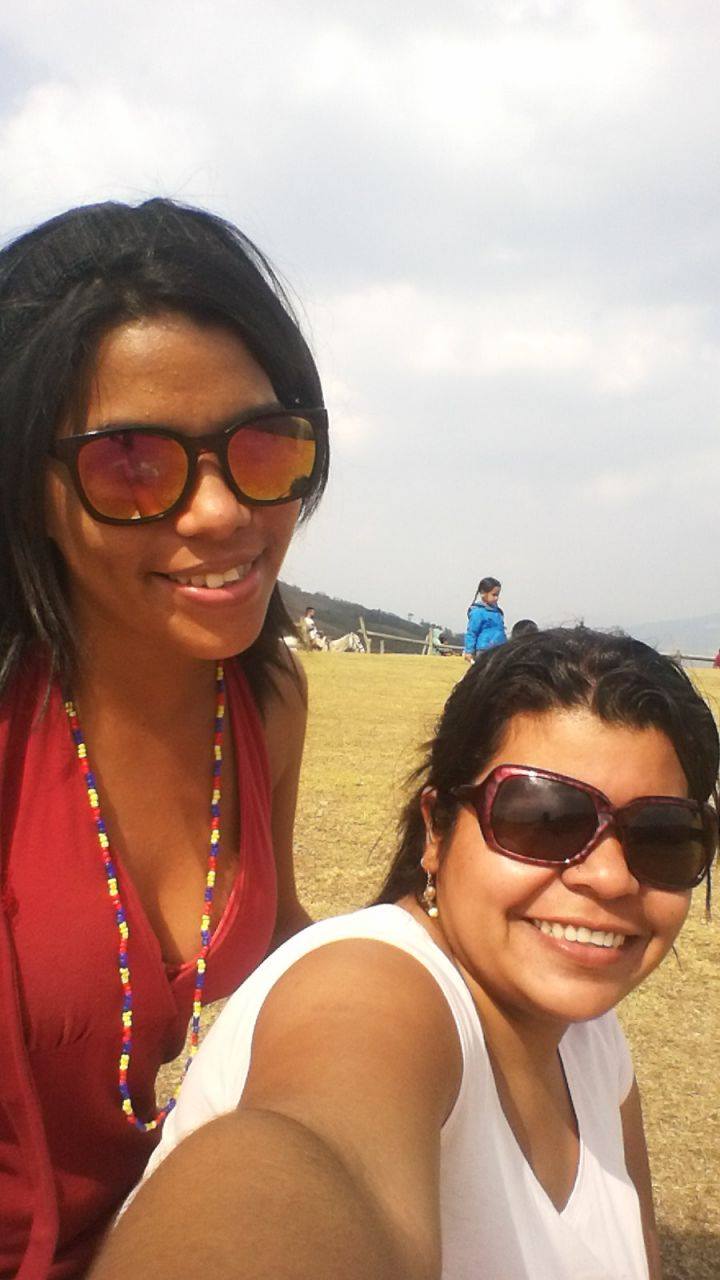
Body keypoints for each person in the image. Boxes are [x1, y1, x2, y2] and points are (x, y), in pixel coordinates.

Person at [92, 627, 718, 1280]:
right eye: (544, 819)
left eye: (663, 835)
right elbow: (313, 1151)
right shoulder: (372, 987)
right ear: (436, 830)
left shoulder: (593, 1039)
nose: (611, 879)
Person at [0, 197, 330, 1278]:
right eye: (133, 462)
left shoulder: (264, 702)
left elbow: (280, 934)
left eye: (263, 446)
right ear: (27, 487)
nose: (223, 512)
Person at [463, 575, 507, 661]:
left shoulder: (498, 612)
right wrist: (469, 651)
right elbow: (472, 632)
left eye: (497, 595)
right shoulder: (478, 612)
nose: (496, 598)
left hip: (500, 649)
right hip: (484, 650)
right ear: (483, 593)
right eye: (493, 595)